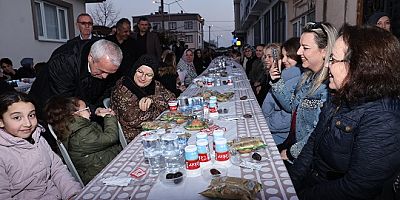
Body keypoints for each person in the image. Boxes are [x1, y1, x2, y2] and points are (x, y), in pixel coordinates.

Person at [289, 24, 400, 200]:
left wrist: (302, 196)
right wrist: (289, 185)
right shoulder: (339, 95)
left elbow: (357, 188)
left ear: (359, 67)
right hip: (314, 182)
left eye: (332, 60)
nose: (328, 67)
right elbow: (312, 144)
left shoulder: (385, 119)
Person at [270, 22, 337, 162]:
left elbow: (319, 133)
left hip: (305, 158)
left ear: (324, 51)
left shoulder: (330, 87)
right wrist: (276, 82)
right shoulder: (307, 77)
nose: (299, 52)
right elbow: (291, 106)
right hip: (292, 145)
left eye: (305, 48)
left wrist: (290, 153)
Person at [0, 91, 81, 199]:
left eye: (31, 115)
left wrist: (73, 194)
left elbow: (57, 169)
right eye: (17, 117)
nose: (28, 124)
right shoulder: (2, 154)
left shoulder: (38, 138)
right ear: (1, 121)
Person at [29, 39, 123, 119]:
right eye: (101, 71)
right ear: (90, 58)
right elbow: (65, 99)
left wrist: (98, 107)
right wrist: (93, 110)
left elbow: (107, 90)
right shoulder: (64, 62)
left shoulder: (102, 61)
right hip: (47, 107)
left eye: (109, 73)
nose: (105, 76)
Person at [44, 96, 122, 185]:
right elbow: (111, 137)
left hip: (102, 162)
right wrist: (109, 116)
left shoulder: (72, 128)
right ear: (75, 115)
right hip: (99, 175)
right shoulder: (81, 135)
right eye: (86, 109)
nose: (90, 111)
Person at [111, 55, 175, 141]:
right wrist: (159, 106)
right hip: (136, 136)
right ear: (134, 70)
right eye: (140, 72)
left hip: (156, 130)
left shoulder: (155, 85)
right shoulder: (122, 89)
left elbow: (173, 100)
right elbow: (135, 120)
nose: (143, 78)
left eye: (149, 75)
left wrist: (153, 99)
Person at [262, 38, 302, 145]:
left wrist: (265, 123)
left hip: (279, 136)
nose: (284, 60)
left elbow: (289, 114)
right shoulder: (286, 73)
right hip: (273, 128)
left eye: (288, 56)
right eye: (283, 56)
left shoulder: (298, 79)